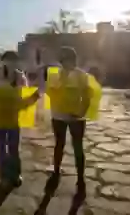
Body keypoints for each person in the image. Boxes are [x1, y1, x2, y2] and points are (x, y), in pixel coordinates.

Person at [0, 50, 39, 188]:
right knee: (1, 149)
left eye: (13, 60)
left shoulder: (20, 77)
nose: (10, 63)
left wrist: (34, 97)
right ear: (2, 62)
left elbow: (24, 99)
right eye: (7, 60)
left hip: (14, 120)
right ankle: (4, 176)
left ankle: (15, 175)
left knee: (14, 149)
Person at [45, 46, 90, 200]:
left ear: (74, 59)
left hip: (77, 118)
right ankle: (56, 171)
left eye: (68, 59)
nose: (66, 63)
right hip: (58, 116)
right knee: (59, 144)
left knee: (78, 147)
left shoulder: (82, 75)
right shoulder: (55, 75)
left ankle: (80, 178)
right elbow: (50, 93)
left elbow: (87, 96)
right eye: (63, 60)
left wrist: (81, 112)